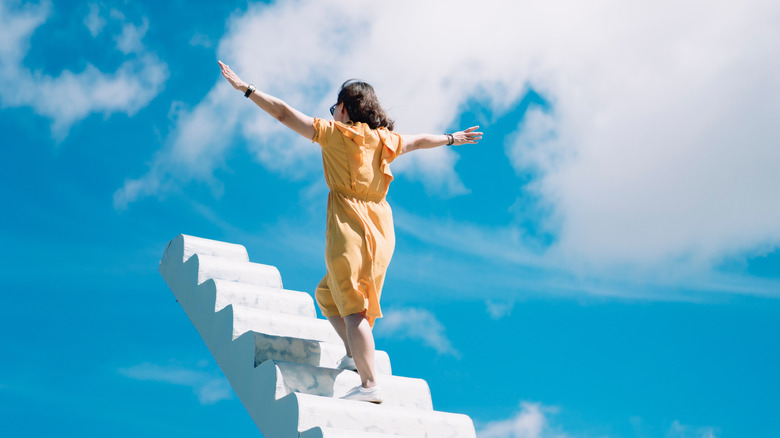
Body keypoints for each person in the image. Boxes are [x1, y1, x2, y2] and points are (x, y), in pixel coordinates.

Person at [218, 60, 482, 403]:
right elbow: (418, 141)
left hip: (349, 226)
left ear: (345, 108)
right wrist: (450, 138)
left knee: (353, 306)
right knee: (328, 295)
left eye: (336, 107)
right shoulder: (386, 141)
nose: (334, 112)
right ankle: (354, 358)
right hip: (381, 228)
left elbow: (283, 113)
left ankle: (370, 384)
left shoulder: (333, 134)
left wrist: (247, 89)